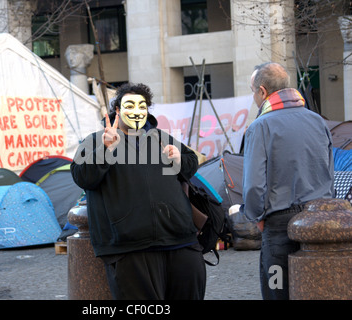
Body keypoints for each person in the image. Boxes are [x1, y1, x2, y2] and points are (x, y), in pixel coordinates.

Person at [70, 82, 206, 300]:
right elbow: (82, 176)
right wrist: (105, 148)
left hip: (180, 241)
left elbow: (191, 164)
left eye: (142, 107)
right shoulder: (95, 140)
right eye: (129, 105)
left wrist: (180, 159)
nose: (136, 112)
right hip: (128, 248)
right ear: (117, 110)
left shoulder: (160, 137)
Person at [238, 62, 335, 300]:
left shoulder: (260, 127)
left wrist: (257, 216)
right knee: (315, 290)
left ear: (262, 91)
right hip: (318, 220)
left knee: (277, 288)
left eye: (253, 91)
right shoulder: (318, 121)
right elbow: (330, 173)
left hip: (279, 226)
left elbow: (253, 185)